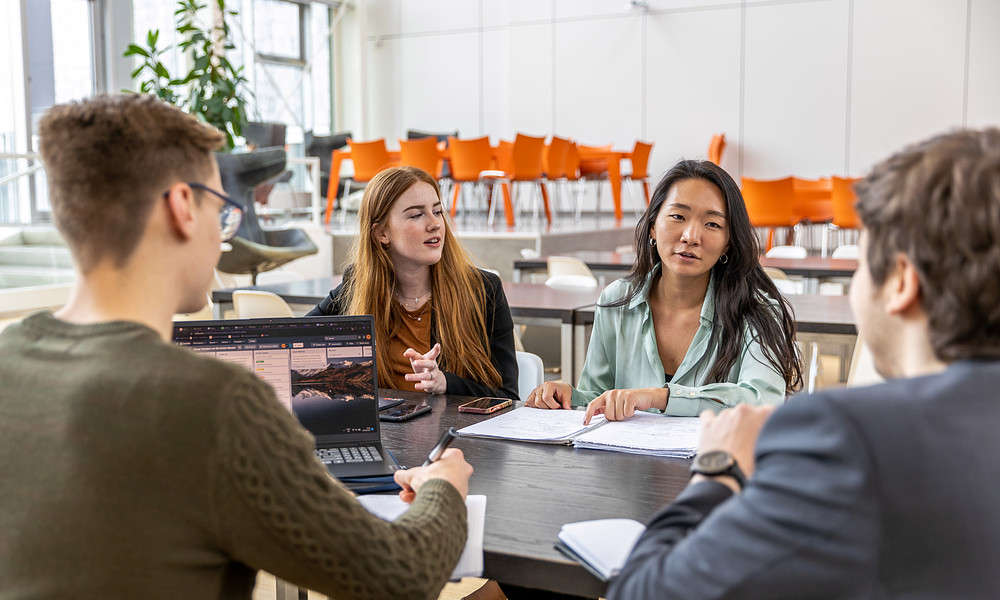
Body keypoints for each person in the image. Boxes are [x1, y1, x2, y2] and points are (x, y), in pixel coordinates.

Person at [0, 94, 473, 599]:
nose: (225, 233)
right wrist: (444, 485)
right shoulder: (215, 402)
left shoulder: (11, 359)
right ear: (184, 208)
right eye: (223, 209)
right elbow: (399, 576)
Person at [608, 128, 1000, 599]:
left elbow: (645, 593)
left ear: (900, 282)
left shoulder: (844, 436)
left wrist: (716, 470)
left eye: (862, 264)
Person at [527, 159, 801, 420]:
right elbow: (599, 397)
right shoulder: (617, 301)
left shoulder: (758, 310)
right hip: (628, 467)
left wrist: (661, 398)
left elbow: (762, 400)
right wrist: (568, 397)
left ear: (728, 244)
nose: (691, 237)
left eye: (712, 224)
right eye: (678, 216)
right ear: (653, 227)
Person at [307, 166, 519, 400]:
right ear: (382, 234)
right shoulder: (357, 286)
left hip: (452, 435)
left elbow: (508, 397)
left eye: (437, 212)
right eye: (417, 215)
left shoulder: (483, 290)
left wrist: (445, 383)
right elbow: (293, 336)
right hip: (385, 436)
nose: (435, 224)